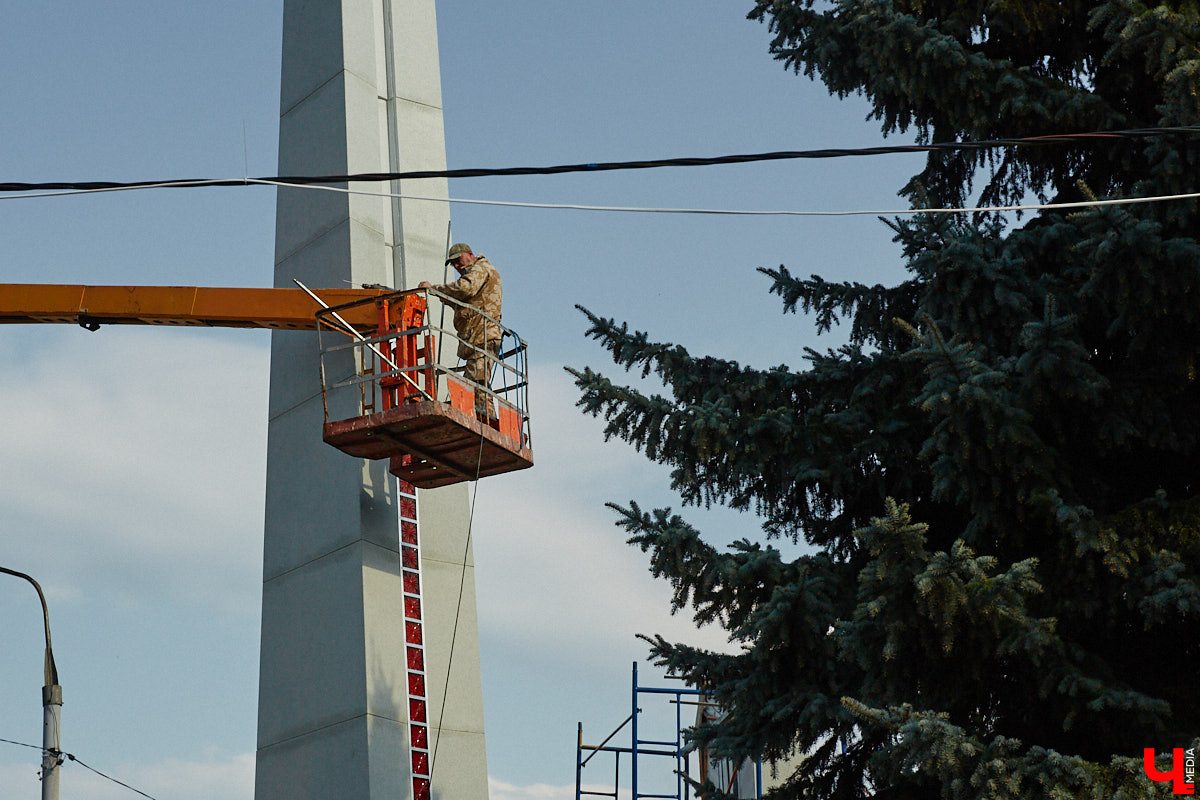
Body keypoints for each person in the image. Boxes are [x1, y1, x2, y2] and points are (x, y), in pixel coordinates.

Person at [418, 243, 503, 422]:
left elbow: (464, 289)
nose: (457, 266)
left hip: (484, 336)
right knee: (478, 383)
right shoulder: (476, 275)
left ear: (470, 254)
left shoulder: (480, 268)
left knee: (474, 383)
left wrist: (433, 288)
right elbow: (459, 300)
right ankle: (488, 421)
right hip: (478, 338)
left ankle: (485, 421)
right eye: (453, 264)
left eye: (458, 260)